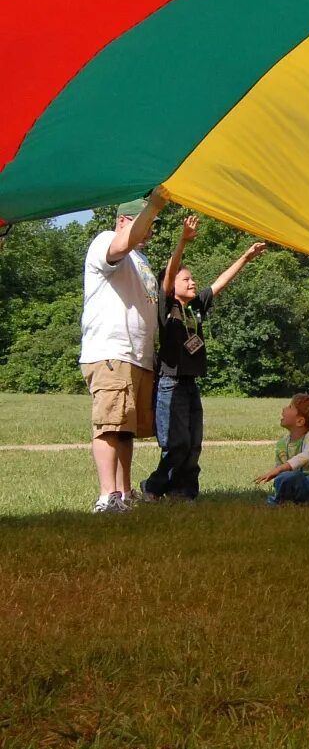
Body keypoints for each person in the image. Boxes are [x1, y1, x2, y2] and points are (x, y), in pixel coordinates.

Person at [143, 215, 266, 500]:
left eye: (193, 278)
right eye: (186, 279)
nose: (193, 281)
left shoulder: (196, 306)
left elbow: (220, 283)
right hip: (169, 384)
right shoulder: (166, 307)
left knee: (193, 443)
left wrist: (245, 257)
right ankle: (153, 487)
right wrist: (182, 241)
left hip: (190, 384)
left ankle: (184, 493)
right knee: (176, 443)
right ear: (172, 285)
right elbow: (171, 271)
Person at [80, 189, 168, 513]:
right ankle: (107, 497)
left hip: (136, 358)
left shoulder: (140, 260)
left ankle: (124, 493)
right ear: (123, 220)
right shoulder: (106, 240)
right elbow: (122, 244)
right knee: (110, 425)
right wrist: (155, 205)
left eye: (152, 225)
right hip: (111, 353)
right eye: (145, 223)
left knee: (126, 429)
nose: (150, 231)